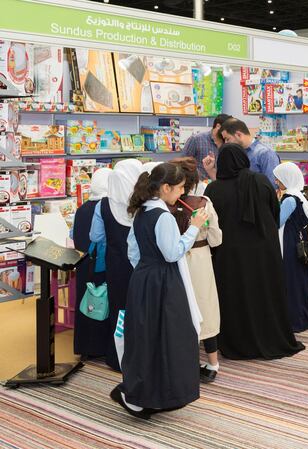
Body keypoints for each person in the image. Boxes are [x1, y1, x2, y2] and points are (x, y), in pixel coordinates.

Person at [111, 162, 207, 419]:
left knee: (145, 338)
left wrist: (145, 270)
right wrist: (194, 227)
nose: (181, 194)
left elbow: (133, 250)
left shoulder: (142, 211)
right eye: (179, 189)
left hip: (144, 279)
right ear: (165, 188)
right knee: (169, 337)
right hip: (163, 282)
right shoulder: (163, 216)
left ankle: (141, 392)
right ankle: (156, 393)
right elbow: (173, 252)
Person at [204, 143, 305, 360]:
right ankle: (270, 336)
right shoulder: (260, 181)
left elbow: (210, 223)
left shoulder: (213, 189)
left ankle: (237, 341)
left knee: (234, 294)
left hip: (229, 254)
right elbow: (274, 212)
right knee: (265, 292)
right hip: (263, 250)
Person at [170, 157, 224, 384]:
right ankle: (212, 363)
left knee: (180, 310)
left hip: (174, 262)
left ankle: (183, 363)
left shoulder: (165, 206)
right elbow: (216, 238)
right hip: (200, 259)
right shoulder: (203, 203)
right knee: (206, 308)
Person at [90, 159, 143, 371]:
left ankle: (117, 356)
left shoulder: (103, 205)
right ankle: (140, 356)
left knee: (118, 309)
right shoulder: (144, 205)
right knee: (140, 309)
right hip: (140, 266)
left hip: (115, 266)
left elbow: (95, 235)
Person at [275, 162, 308, 333]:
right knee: (301, 277)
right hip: (299, 242)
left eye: (279, 178)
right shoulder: (298, 196)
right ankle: (306, 312)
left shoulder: (289, 199)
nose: (277, 181)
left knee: (291, 279)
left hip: (290, 243)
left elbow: (277, 222)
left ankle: (295, 316)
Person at [72, 168, 112, 360]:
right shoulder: (107, 208)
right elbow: (103, 240)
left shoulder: (82, 209)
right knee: (100, 303)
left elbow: (73, 235)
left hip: (82, 264)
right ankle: (100, 347)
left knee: (84, 304)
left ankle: (84, 347)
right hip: (100, 265)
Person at [206, 118, 281, 188]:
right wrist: (211, 170)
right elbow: (225, 184)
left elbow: (271, 186)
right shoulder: (233, 156)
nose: (226, 143)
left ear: (238, 135)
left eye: (227, 139)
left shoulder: (265, 154)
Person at [183, 113, 231, 180]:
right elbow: (184, 163)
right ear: (218, 126)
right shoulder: (196, 139)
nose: (229, 133)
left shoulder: (228, 143)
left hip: (220, 184)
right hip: (200, 185)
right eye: (228, 130)